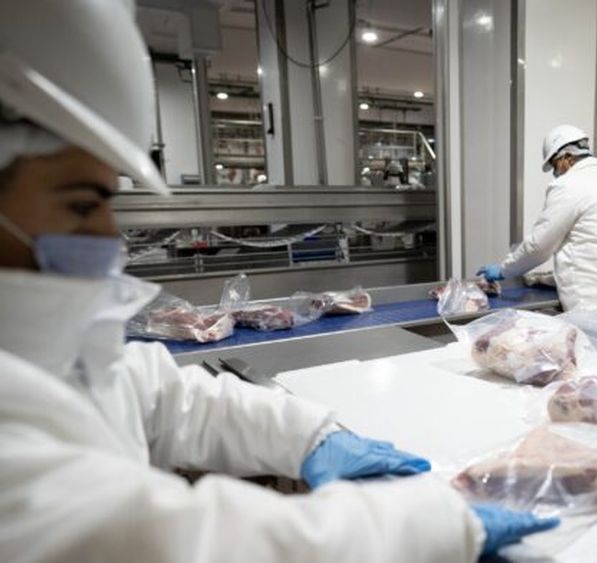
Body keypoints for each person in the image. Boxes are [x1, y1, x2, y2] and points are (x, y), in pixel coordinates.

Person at [0, 2, 556, 562]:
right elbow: (162, 543)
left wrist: (308, 435)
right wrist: (428, 528)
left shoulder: (40, 353)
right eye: (80, 203)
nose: (108, 238)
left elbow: (155, 397)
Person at [477, 125, 597, 313]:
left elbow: (539, 246)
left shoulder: (568, 185)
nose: (555, 172)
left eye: (554, 165)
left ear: (567, 157)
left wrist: (504, 270)